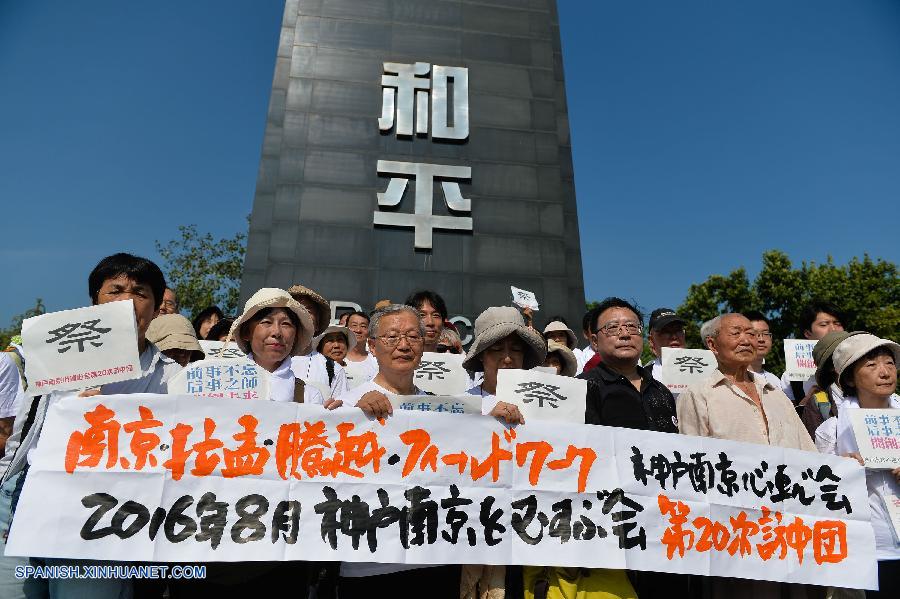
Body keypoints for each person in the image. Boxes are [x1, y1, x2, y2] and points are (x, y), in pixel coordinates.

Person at [0, 253, 182, 599]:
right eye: (115, 290)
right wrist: (7, 484)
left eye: (140, 292)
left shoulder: (170, 376)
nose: (127, 301)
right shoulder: (55, 353)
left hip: (105, 513)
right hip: (24, 498)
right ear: (94, 301)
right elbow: (26, 428)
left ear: (157, 307)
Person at [678, 313, 815, 599]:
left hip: (791, 526)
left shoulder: (775, 393)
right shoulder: (699, 394)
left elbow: (809, 453)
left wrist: (845, 467)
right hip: (738, 531)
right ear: (713, 345)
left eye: (751, 334)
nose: (746, 340)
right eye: (736, 333)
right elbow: (694, 467)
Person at [332, 304, 461, 598]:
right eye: (392, 337)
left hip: (432, 556)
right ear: (373, 346)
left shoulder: (439, 408)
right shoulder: (347, 406)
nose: (403, 345)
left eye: (413, 337)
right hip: (368, 563)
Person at [577, 299, 680, 596]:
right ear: (594, 340)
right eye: (613, 328)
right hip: (615, 524)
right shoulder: (584, 387)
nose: (624, 334)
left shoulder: (661, 390)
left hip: (665, 524)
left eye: (631, 327)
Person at [814, 334, 900, 596]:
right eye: (871, 365)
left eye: (889, 363)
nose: (884, 372)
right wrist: (841, 473)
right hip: (871, 547)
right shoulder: (831, 431)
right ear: (849, 378)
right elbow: (821, 494)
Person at [226, 288, 324, 405]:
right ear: (246, 332)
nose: (276, 332)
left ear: (295, 336)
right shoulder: (222, 383)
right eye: (266, 322)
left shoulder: (309, 396)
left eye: (286, 324)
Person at [463, 306, 547, 423]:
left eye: (516, 349)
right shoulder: (464, 405)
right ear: (481, 355)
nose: (507, 359)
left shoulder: (543, 404)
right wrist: (488, 422)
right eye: (497, 349)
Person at [288, 284, 348, 399]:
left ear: (317, 324)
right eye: (295, 310)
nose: (302, 315)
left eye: (308, 310)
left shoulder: (334, 370)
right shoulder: (264, 363)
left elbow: (341, 414)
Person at [781, 301, 846, 402]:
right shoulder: (790, 377)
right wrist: (806, 404)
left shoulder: (858, 364)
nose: (833, 329)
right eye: (824, 325)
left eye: (838, 324)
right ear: (807, 333)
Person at [644, 307, 688, 390]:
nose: (674, 337)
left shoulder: (709, 370)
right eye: (665, 331)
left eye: (678, 330)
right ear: (651, 341)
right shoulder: (641, 378)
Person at [743, 310, 780, 388]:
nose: (761, 339)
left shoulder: (775, 381)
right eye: (754, 333)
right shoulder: (733, 379)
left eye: (766, 334)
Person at [343, 311, 378, 385]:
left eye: (363, 326)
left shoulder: (376, 361)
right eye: (354, 325)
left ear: (369, 331)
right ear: (346, 329)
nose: (358, 330)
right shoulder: (336, 359)